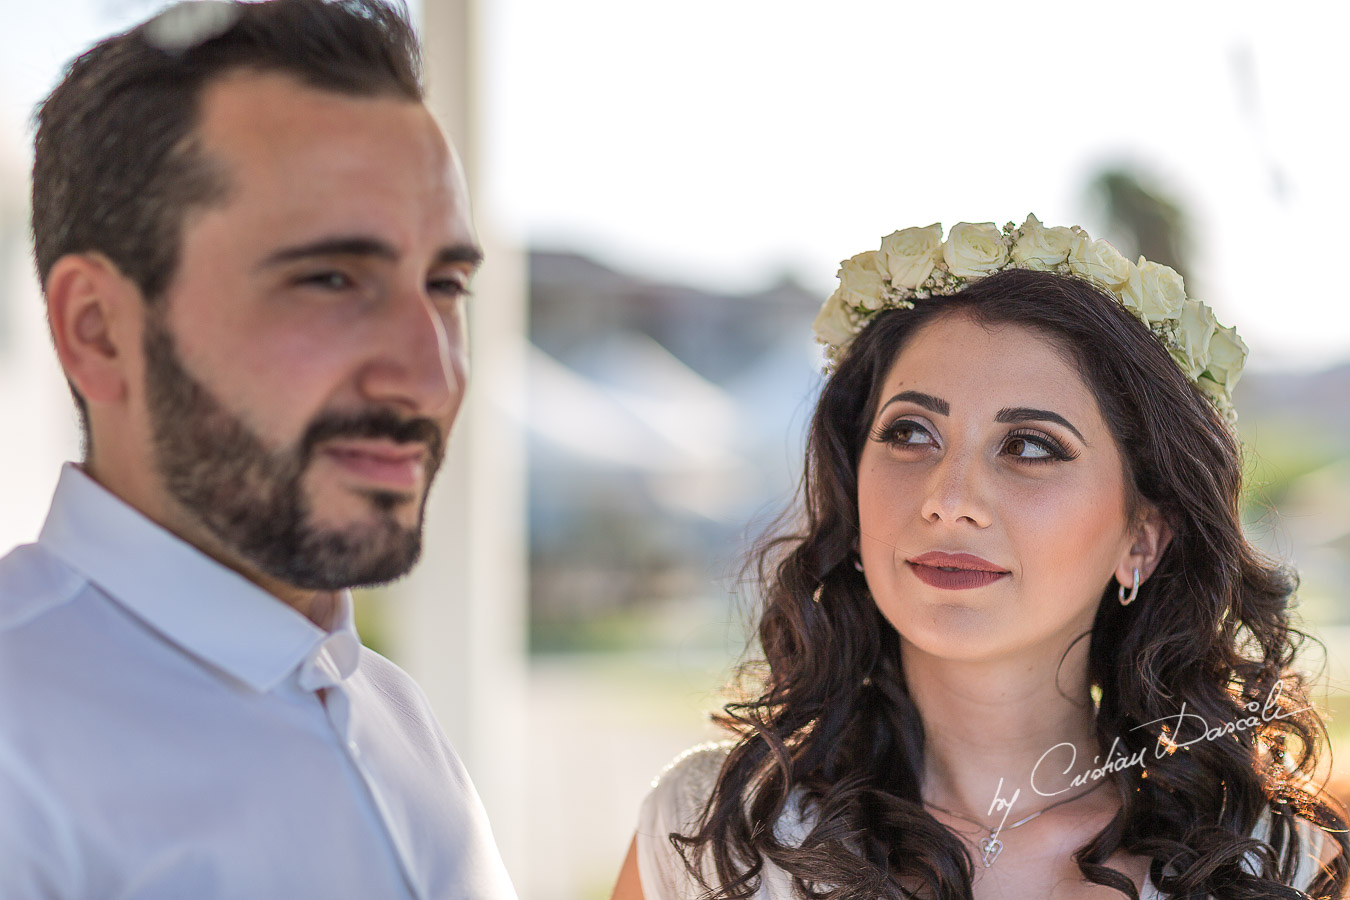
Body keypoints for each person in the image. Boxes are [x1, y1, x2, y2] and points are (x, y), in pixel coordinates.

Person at [611, 217, 1349, 899]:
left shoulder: (1268, 860)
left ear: (1142, 538)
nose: (947, 498)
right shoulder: (710, 839)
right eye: (910, 434)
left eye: (1030, 445)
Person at [0, 1, 517, 897]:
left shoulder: (395, 714)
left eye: (444, 285)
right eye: (329, 279)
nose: (428, 377)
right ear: (100, 330)